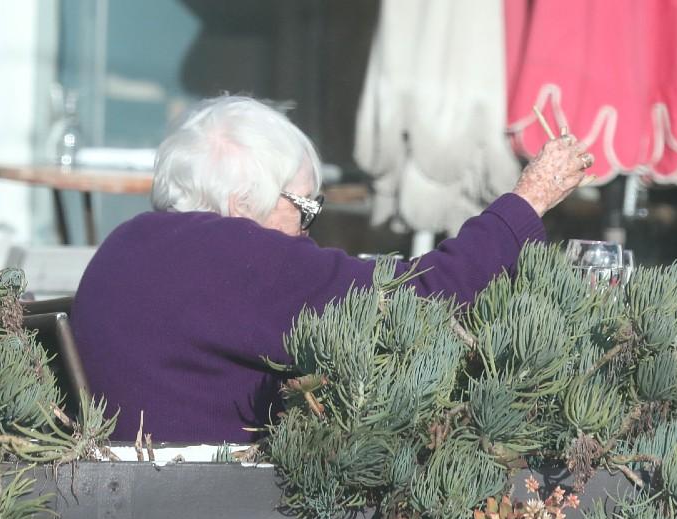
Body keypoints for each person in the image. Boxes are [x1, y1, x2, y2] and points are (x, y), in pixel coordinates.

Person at [71, 95, 592, 444]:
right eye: (302, 206)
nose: (307, 230)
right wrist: (528, 202)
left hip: (132, 515)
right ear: (238, 202)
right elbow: (419, 300)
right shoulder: (233, 252)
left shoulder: (126, 243)